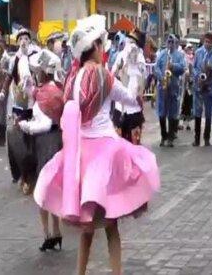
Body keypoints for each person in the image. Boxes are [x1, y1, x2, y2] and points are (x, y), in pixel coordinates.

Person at [34, 18, 160, 275]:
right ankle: (117, 273)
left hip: (79, 153)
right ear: (94, 46)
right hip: (105, 152)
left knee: (87, 227)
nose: (104, 47)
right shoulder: (104, 75)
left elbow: (67, 108)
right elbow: (127, 97)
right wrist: (137, 95)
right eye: (101, 43)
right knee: (111, 226)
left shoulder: (73, 76)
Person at [17, 49, 64, 251]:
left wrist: (24, 126)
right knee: (53, 189)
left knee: (42, 190)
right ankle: (56, 232)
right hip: (57, 141)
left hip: (45, 143)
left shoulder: (47, 93)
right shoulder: (54, 90)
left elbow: (42, 124)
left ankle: (48, 234)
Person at [1, 28, 39, 185]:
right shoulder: (14, 59)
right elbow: (9, 77)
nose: (23, 41)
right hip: (19, 102)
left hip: (35, 101)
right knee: (16, 135)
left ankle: (35, 167)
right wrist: (3, 91)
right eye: (21, 39)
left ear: (29, 41)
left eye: (26, 38)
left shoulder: (35, 56)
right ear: (17, 42)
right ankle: (18, 170)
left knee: (36, 133)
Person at [114, 36, 148, 145]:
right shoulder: (121, 56)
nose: (132, 46)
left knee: (134, 139)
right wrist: (120, 70)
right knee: (121, 139)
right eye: (130, 42)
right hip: (122, 105)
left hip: (134, 104)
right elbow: (113, 73)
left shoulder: (140, 58)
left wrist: (140, 91)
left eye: (134, 43)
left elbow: (144, 75)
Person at [154, 35, 186, 147]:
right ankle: (164, 136)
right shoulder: (162, 54)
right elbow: (156, 67)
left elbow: (182, 68)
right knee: (162, 113)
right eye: (169, 42)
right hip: (162, 87)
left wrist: (173, 66)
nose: (170, 44)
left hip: (173, 86)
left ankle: (171, 137)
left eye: (172, 42)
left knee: (173, 113)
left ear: (175, 43)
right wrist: (161, 77)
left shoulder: (179, 55)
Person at [193, 32, 212, 147]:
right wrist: (198, 76)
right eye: (206, 42)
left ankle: (206, 138)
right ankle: (196, 139)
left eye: (210, 42)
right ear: (203, 41)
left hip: (210, 86)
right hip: (199, 86)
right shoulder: (198, 52)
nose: (207, 44)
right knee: (197, 112)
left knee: (208, 113)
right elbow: (195, 67)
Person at [180, 44, 195, 130]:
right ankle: (181, 122)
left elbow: (194, 70)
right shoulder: (184, 58)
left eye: (191, 48)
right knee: (183, 102)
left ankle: (188, 123)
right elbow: (183, 69)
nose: (190, 50)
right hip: (183, 83)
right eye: (188, 48)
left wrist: (191, 78)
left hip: (190, 84)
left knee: (189, 102)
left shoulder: (193, 59)